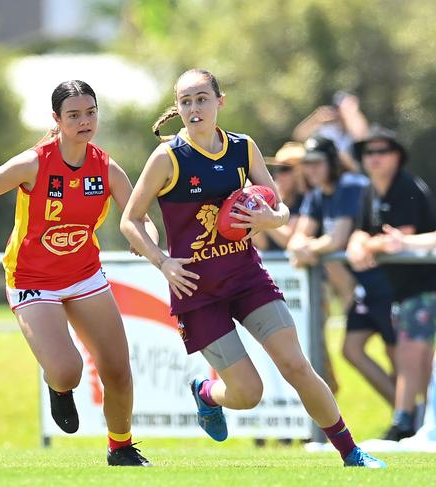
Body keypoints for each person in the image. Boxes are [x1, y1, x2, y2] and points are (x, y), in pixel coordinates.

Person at [120, 68, 385, 468]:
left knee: (297, 364)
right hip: (196, 290)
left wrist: (268, 220)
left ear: (219, 102)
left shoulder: (243, 148)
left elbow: (279, 209)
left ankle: (351, 452)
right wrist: (162, 262)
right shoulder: (168, 157)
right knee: (248, 393)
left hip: (246, 277)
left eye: (202, 99)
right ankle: (207, 392)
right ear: (177, 108)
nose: (194, 108)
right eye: (186, 101)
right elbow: (130, 219)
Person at [0, 80, 157, 466]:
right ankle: (57, 387)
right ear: (56, 119)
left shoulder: (107, 168)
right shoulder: (34, 163)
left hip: (84, 275)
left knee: (118, 369)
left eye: (90, 113)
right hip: (31, 280)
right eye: (74, 115)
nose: (84, 121)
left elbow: (139, 219)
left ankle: (121, 447)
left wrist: (145, 239)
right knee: (68, 371)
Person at [287, 136, 396, 406]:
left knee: (400, 357)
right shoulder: (315, 194)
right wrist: (304, 246)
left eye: (317, 163)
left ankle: (414, 421)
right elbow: (297, 239)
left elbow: (337, 239)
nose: (310, 170)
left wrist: (308, 248)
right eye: (307, 164)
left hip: (389, 283)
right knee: (352, 349)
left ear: (332, 162)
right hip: (366, 289)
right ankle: (407, 418)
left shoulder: (350, 185)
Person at [347, 126, 436, 440]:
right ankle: (419, 422)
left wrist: (367, 246)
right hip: (404, 289)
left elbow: (402, 237)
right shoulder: (370, 190)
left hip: (425, 286)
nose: (375, 158)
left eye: (382, 151)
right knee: (416, 357)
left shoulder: (406, 187)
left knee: (412, 353)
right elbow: (362, 231)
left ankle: (403, 422)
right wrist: (358, 244)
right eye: (369, 152)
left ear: (397, 155)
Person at [293, 91, 369, 173]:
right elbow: (298, 136)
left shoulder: (356, 126)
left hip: (353, 173)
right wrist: (315, 119)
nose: (339, 112)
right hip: (329, 173)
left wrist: (350, 113)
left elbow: (361, 137)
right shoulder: (330, 129)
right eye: (337, 108)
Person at [252, 142, 306, 252]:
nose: (277, 175)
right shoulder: (274, 200)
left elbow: (287, 240)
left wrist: (264, 216)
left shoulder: (307, 199)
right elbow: (263, 245)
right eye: (276, 170)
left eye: (283, 169)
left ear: (300, 172)